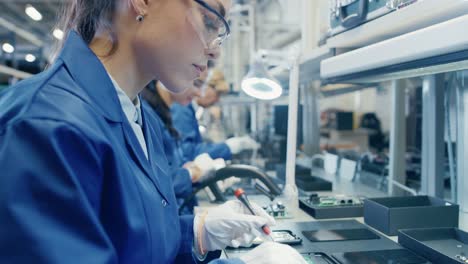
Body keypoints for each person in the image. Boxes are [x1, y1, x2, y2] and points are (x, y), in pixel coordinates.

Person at [0, 0, 306, 263]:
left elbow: (136, 245)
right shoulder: (45, 126)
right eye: (210, 21)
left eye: (219, 34)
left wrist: (196, 235)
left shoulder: (141, 117)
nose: (214, 52)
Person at [142, 80, 223, 214]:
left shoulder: (164, 110)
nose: (198, 93)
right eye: (196, 84)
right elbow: (154, 183)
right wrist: (191, 174)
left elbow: (171, 164)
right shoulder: (157, 114)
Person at [172, 68, 259, 162]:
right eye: (217, 94)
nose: (217, 100)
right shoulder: (182, 109)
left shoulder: (191, 110)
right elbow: (187, 152)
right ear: (207, 87)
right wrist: (227, 147)